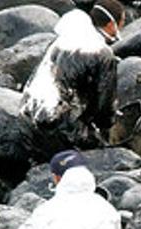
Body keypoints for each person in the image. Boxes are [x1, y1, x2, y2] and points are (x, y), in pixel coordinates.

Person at [21, 2, 124, 153]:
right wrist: (107, 128)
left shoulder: (64, 40)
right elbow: (104, 107)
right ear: (110, 25)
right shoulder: (102, 53)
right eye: (122, 22)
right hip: (57, 126)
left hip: (29, 113)